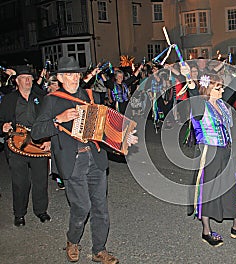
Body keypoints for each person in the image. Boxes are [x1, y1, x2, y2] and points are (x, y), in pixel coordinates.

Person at [31, 56, 138, 264]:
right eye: (68, 75)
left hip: (95, 157)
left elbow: (104, 126)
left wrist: (124, 138)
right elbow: (36, 132)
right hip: (72, 161)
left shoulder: (90, 95)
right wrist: (57, 120)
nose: (73, 78)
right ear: (60, 78)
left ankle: (99, 250)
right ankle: (73, 240)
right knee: (81, 207)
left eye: (76, 74)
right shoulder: (52, 100)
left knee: (100, 208)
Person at [185, 57, 236, 247]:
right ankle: (206, 231)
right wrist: (191, 83)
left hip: (226, 152)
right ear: (208, 89)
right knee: (209, 192)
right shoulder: (200, 106)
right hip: (209, 156)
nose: (221, 90)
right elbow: (194, 97)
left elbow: (234, 87)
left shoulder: (220, 103)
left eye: (220, 87)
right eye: (217, 87)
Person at [0, 66, 51, 226]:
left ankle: (41, 210)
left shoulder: (41, 97)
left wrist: (48, 139)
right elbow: (1, 120)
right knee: (20, 182)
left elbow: (48, 119)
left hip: (38, 143)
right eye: (24, 77)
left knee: (40, 180)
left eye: (30, 77)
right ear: (17, 80)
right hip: (16, 145)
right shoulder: (9, 99)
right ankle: (19, 213)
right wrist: (3, 126)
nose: (28, 80)